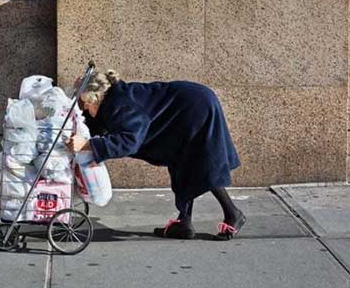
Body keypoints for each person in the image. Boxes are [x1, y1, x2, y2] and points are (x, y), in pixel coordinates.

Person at [65, 69, 246, 240]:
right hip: (187, 104)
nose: (86, 110)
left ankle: (233, 214)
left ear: (95, 98)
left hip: (194, 108)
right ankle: (184, 223)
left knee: (201, 164)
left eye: (86, 105)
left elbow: (130, 141)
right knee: (182, 164)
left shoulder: (118, 105)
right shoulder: (112, 100)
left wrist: (89, 145)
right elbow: (100, 124)